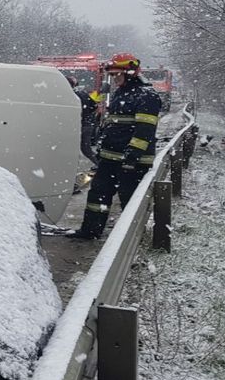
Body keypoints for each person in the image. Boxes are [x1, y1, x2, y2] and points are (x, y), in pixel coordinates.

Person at [66, 53, 161, 240]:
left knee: (130, 200)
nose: (115, 78)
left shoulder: (146, 95)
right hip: (110, 158)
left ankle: (134, 238)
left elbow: (145, 130)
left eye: (118, 74)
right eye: (112, 75)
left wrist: (133, 154)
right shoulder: (120, 93)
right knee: (98, 195)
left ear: (131, 72)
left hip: (132, 161)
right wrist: (102, 148)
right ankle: (90, 231)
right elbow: (113, 125)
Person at [67, 75, 100, 167]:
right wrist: (87, 115)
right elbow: (95, 106)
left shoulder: (70, 96)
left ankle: (101, 166)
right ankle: (100, 164)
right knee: (86, 149)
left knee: (72, 149)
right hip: (86, 124)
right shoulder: (83, 94)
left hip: (78, 125)